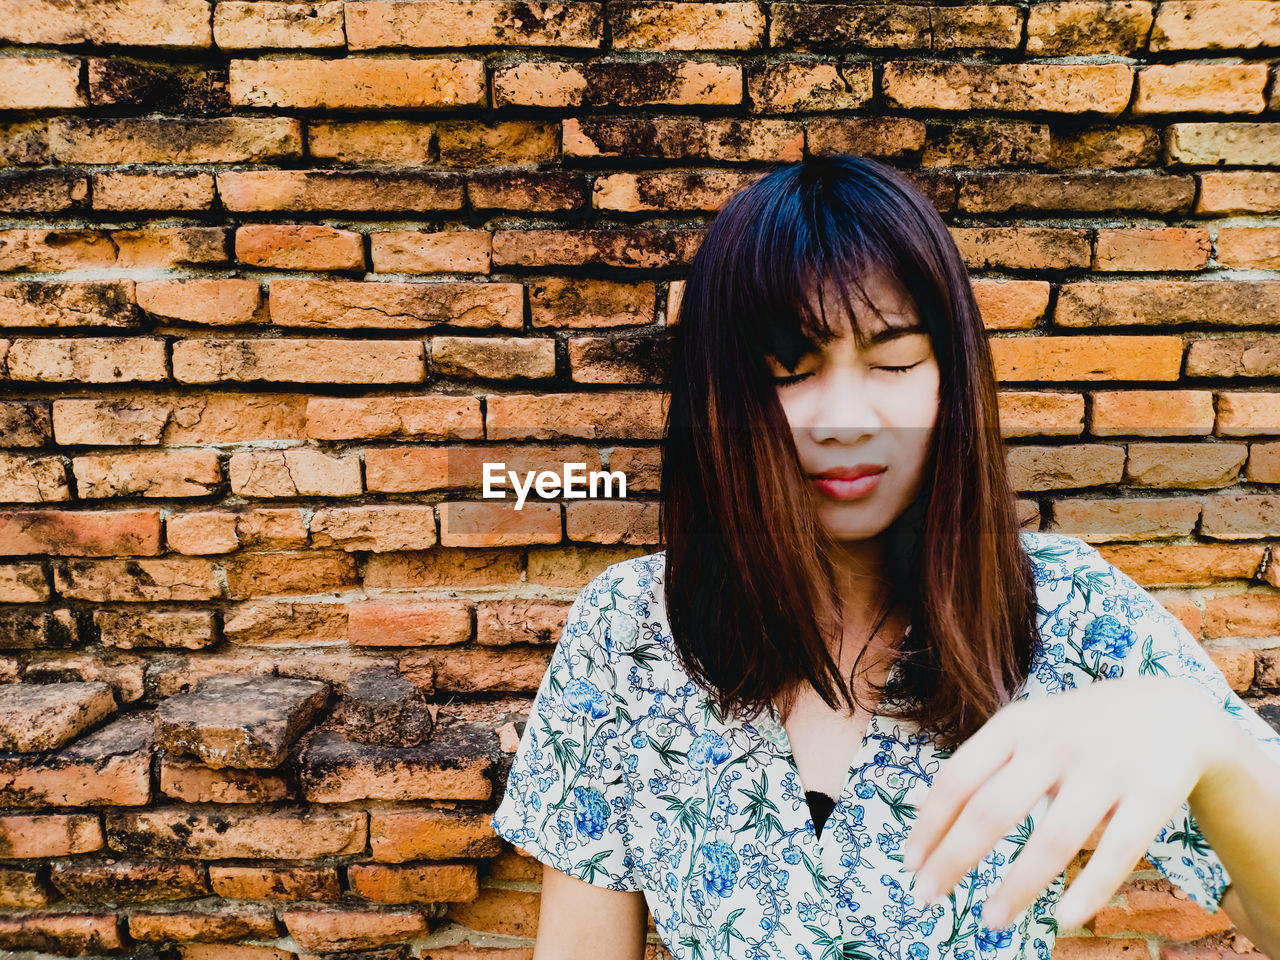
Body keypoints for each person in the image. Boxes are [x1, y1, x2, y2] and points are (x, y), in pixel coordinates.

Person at [490, 155, 1280, 960]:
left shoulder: (1072, 611)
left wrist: (1211, 749)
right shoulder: (628, 631)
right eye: (787, 371)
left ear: (952, 377)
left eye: (895, 362)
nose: (845, 419)